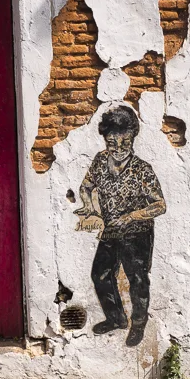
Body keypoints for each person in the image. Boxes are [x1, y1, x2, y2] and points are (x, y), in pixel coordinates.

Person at [74, 104, 166, 347]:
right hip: (111, 230)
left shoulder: (142, 170)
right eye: (112, 143)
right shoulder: (100, 160)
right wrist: (89, 206)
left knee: (137, 280)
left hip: (137, 234)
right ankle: (116, 319)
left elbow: (160, 205)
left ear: (132, 138)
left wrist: (132, 216)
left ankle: (138, 325)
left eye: (123, 143)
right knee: (100, 274)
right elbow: (86, 186)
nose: (117, 149)